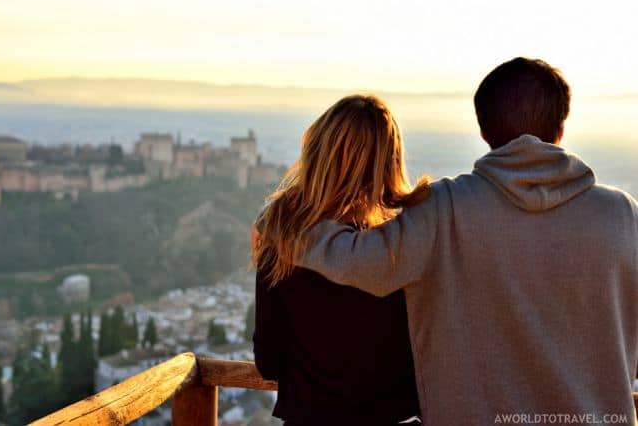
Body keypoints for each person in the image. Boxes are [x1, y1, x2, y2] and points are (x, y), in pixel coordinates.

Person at [294, 58, 638, 425]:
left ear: (484, 131)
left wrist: (291, 231)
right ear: (562, 128)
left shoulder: (445, 210)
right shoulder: (622, 216)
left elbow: (358, 262)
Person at [252, 95, 427, 425]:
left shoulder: (282, 244)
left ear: (317, 154)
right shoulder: (407, 246)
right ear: (388, 162)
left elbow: (269, 362)